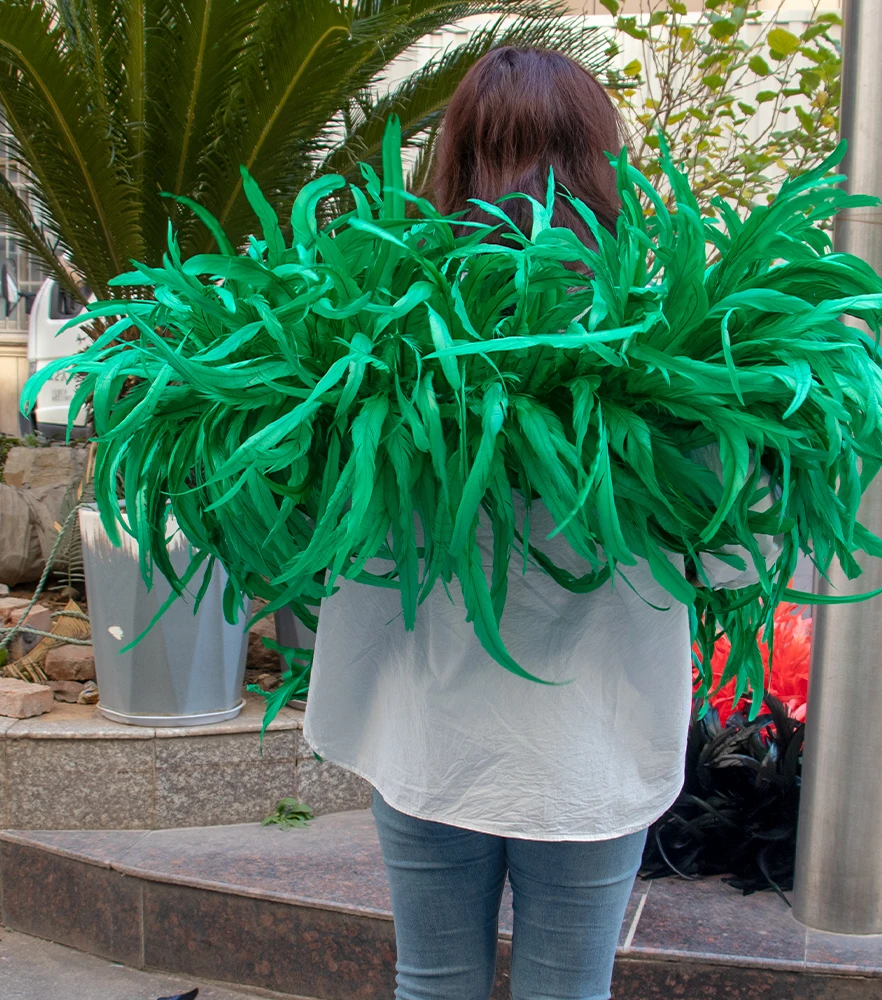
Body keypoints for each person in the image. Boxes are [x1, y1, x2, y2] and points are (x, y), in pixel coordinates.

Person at [303, 47, 778, 1000]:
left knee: (433, 984)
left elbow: (322, 542)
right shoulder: (681, 334)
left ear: (455, 156)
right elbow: (737, 557)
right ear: (600, 156)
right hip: (590, 744)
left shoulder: (372, 328)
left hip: (424, 730)